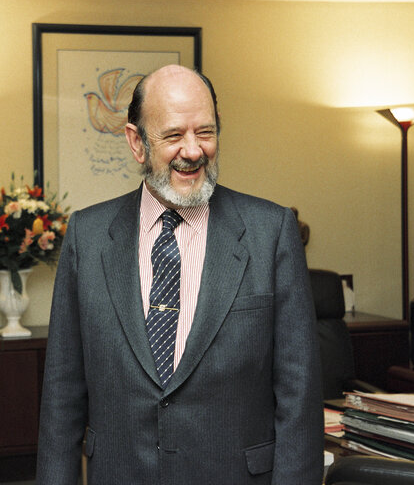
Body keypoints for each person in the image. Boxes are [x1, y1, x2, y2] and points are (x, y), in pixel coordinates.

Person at [36, 65, 322, 484]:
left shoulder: (271, 232)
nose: (193, 151)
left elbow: (299, 397)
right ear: (137, 143)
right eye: (173, 136)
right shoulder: (88, 236)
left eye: (205, 132)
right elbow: (62, 397)